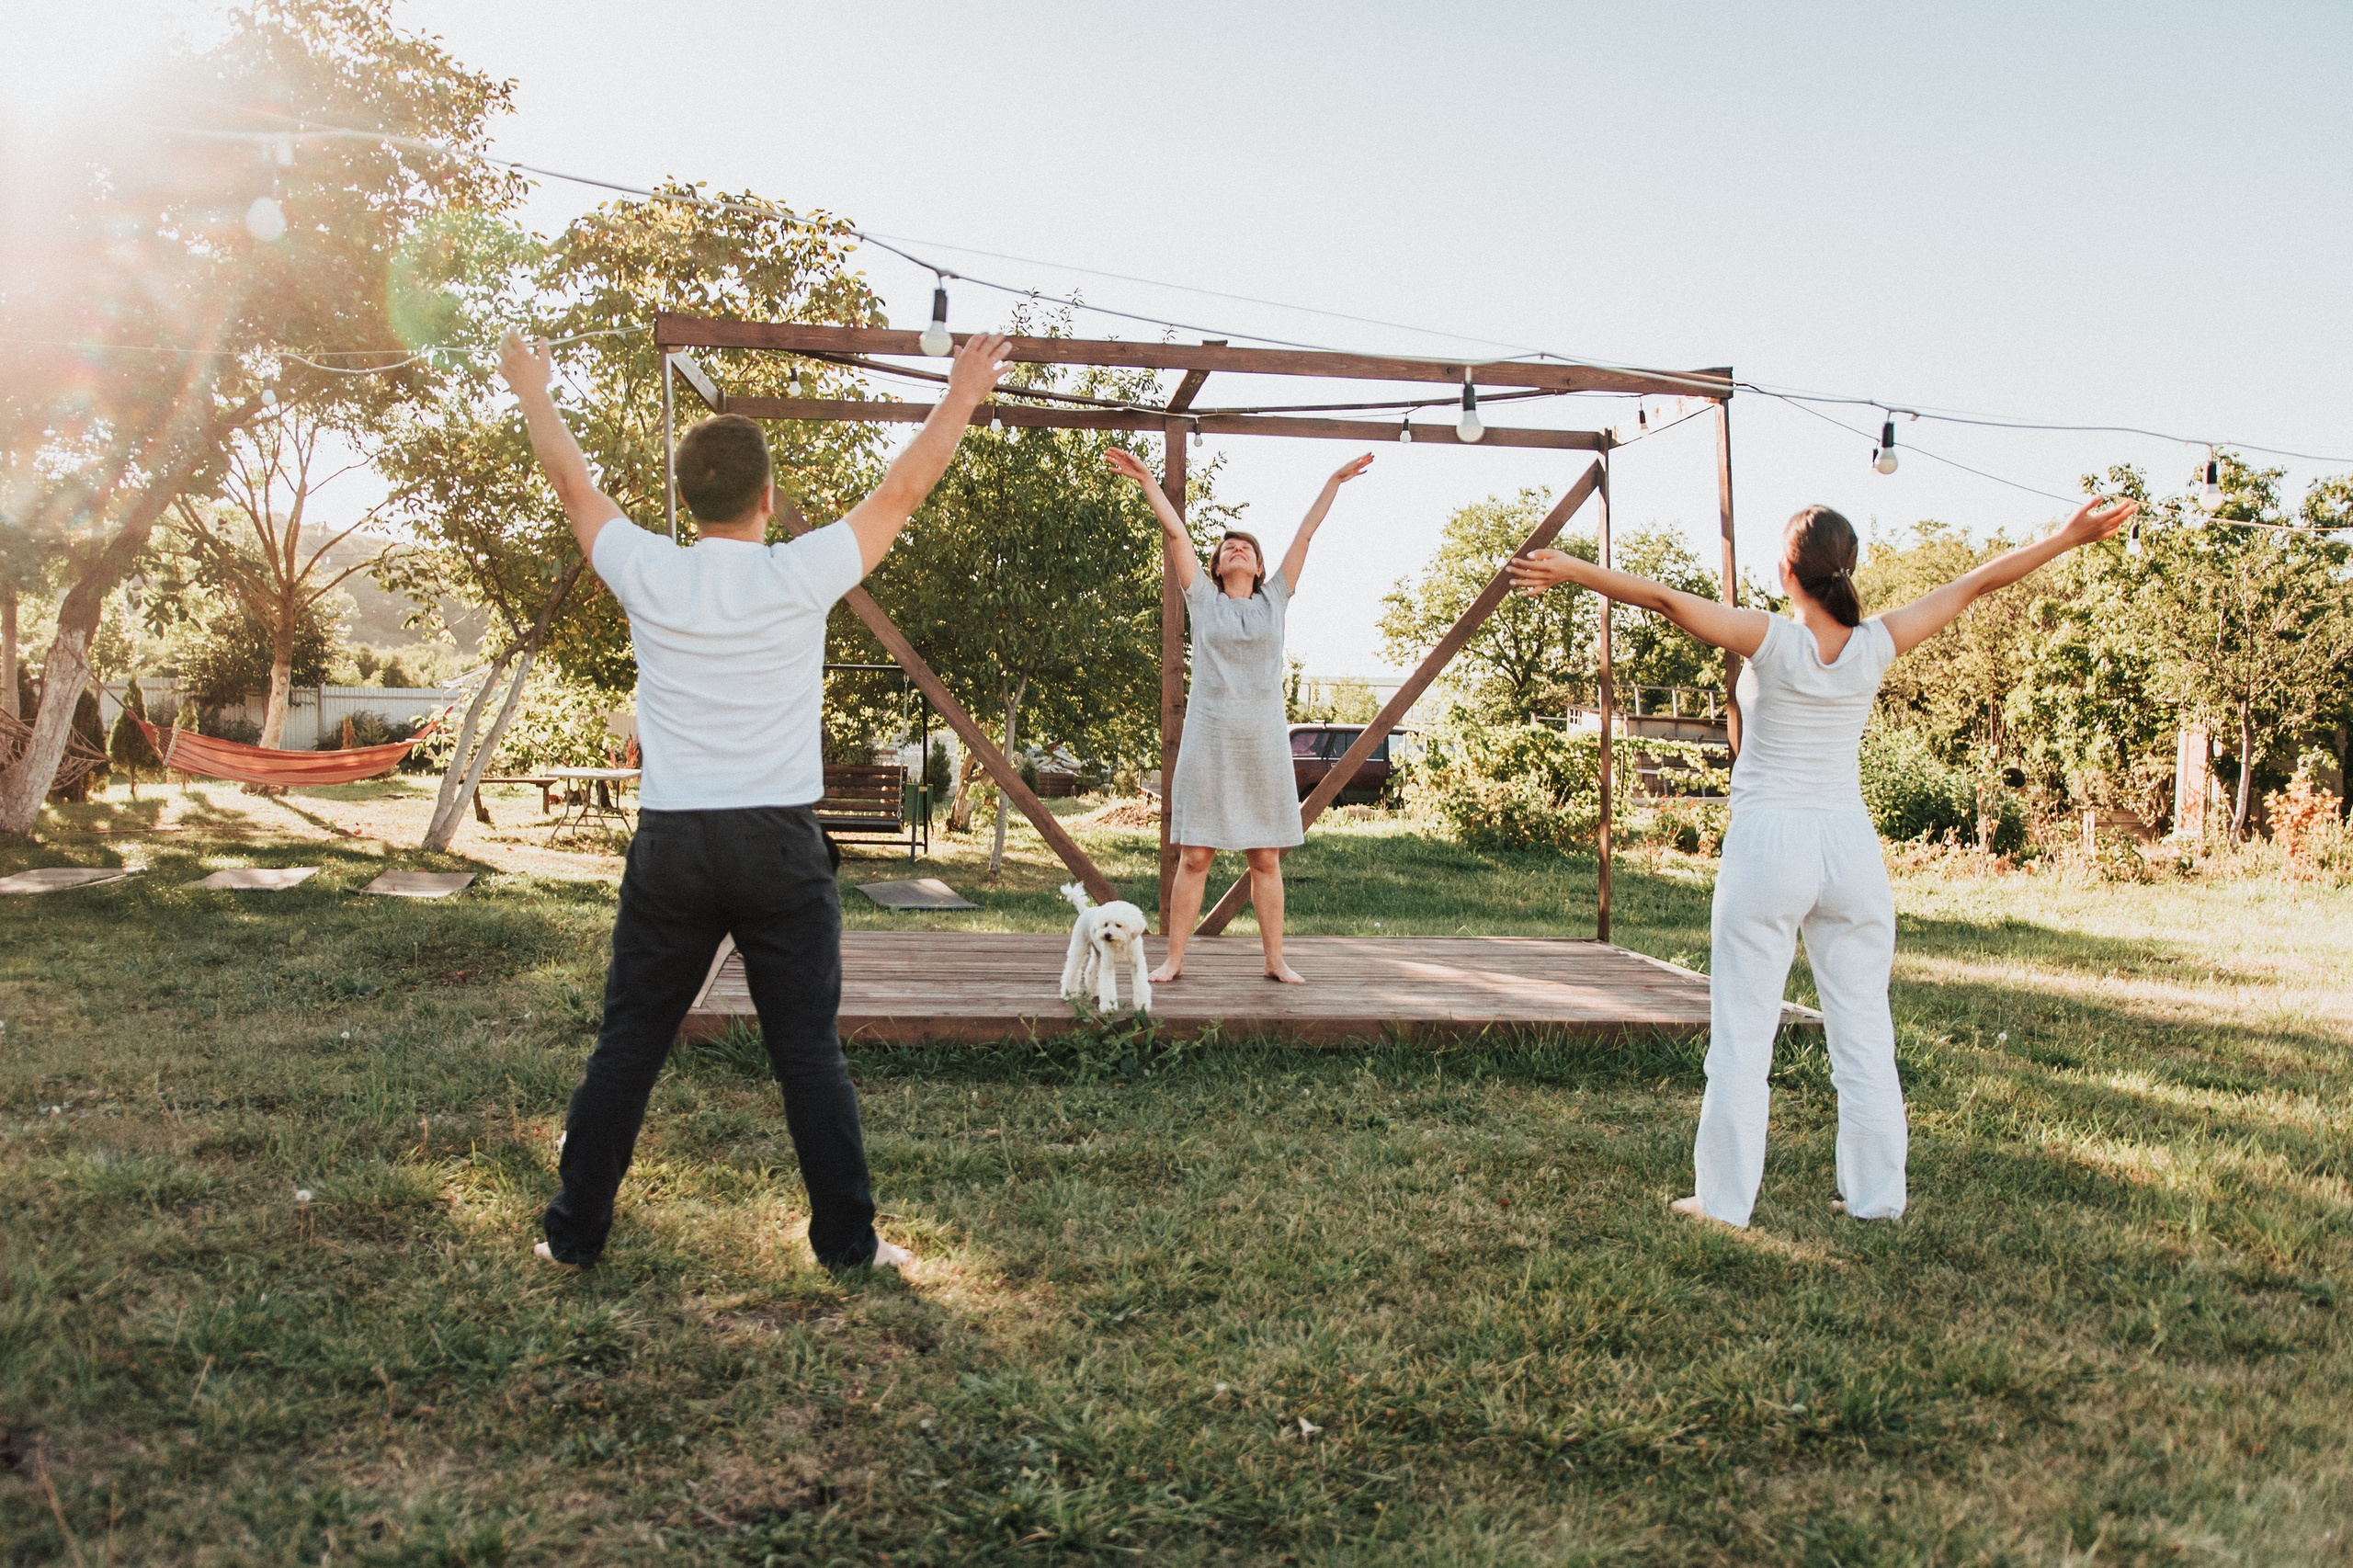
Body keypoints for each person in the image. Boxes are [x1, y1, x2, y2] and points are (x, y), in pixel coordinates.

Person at [498, 326, 1015, 1272]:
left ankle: (573, 1235)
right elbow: (905, 488)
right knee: (807, 1053)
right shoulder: (796, 572)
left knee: (629, 1043)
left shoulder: (649, 569)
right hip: (777, 845)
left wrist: (531, 384)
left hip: (674, 846)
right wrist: (964, 389)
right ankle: (847, 1246)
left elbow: (573, 484)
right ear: (767, 499)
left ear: (685, 500)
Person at [1506, 494, 2138, 1227]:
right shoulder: (1877, 642)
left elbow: (1663, 601)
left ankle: (1723, 1202)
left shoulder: (1771, 638)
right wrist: (2064, 538)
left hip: (1770, 845)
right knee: (1865, 1032)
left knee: (1744, 1034)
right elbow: (1975, 584)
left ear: (1787, 570)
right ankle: (1876, 1200)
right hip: (1850, 851)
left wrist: (1574, 569)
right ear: (1847, 567)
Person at [1108, 449, 1374, 985]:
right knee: (1197, 856)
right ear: (1216, 566)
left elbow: (1303, 536)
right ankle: (1175, 959)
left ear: (1257, 566)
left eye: (1246, 547)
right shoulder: (1203, 599)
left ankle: (1275, 960)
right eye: (1228, 546)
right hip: (1209, 743)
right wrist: (1145, 481)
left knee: (1265, 858)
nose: (1237, 548)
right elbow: (1178, 535)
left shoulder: (1275, 599)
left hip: (1263, 746)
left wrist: (1333, 480)